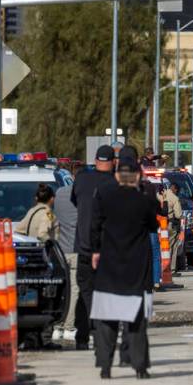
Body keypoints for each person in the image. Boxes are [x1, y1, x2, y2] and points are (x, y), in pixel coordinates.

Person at [90, 156, 157, 380]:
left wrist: (95, 251)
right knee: (136, 321)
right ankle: (140, 367)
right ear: (138, 176)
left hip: (110, 264)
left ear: (117, 175)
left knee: (107, 319)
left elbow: (94, 225)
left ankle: (105, 365)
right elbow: (153, 226)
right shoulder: (144, 201)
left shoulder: (104, 197)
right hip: (136, 266)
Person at [71, 144, 117, 350]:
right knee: (101, 294)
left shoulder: (81, 179)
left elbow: (75, 201)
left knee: (85, 292)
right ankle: (99, 332)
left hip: (83, 247)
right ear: (113, 162)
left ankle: (82, 336)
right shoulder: (115, 183)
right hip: (107, 249)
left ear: (96, 161)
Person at [53, 168, 80, 343]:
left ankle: (57, 326)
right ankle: (69, 326)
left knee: (60, 290)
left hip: (59, 250)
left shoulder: (59, 193)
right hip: (76, 249)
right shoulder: (82, 197)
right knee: (74, 290)